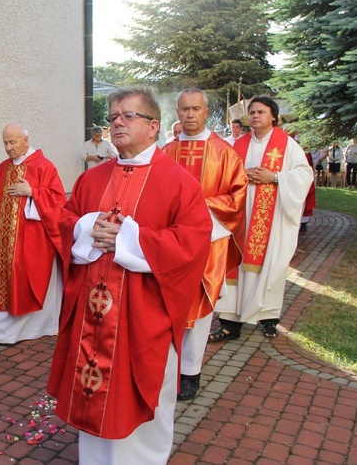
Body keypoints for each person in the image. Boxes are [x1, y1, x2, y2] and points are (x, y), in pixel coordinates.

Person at [48, 87, 212, 464]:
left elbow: (192, 241)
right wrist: (87, 227)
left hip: (142, 312)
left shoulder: (178, 181)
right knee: (93, 390)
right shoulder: (91, 179)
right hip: (93, 314)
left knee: (139, 391)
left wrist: (128, 237)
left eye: (128, 115)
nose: (117, 122)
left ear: (154, 126)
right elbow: (65, 219)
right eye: (112, 117)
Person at [162, 89, 247, 401]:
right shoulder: (166, 152)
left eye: (195, 108)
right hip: (169, 243)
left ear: (206, 111)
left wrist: (197, 204)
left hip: (208, 242)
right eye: (183, 108)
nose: (189, 114)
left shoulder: (224, 152)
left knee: (196, 310)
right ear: (177, 110)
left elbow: (237, 196)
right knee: (168, 304)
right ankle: (166, 367)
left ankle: (190, 373)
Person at [211, 96, 313, 341]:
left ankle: (268, 318)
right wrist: (241, 175)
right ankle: (230, 323)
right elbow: (224, 174)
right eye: (252, 112)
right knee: (235, 265)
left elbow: (304, 174)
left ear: (273, 116)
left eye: (261, 112)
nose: (255, 116)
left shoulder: (287, 145)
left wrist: (275, 177)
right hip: (241, 217)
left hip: (272, 216)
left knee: (270, 263)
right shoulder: (237, 144)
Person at [0, 124, 65, 344]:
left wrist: (33, 192)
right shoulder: (3, 168)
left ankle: (32, 327)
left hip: (32, 239)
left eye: (13, 142)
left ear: (25, 140)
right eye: (5, 142)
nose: (8, 147)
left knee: (25, 277)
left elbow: (59, 201)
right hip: (2, 237)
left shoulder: (43, 166)